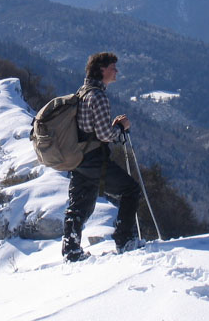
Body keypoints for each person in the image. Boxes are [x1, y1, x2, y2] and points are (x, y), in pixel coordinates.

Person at [62, 52, 142, 261]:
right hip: (95, 159)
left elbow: (91, 128)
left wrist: (110, 126)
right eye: (113, 67)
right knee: (130, 190)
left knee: (79, 205)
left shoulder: (82, 92)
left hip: (78, 158)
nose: (116, 71)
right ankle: (125, 240)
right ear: (101, 69)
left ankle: (71, 250)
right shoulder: (98, 96)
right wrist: (121, 129)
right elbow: (104, 134)